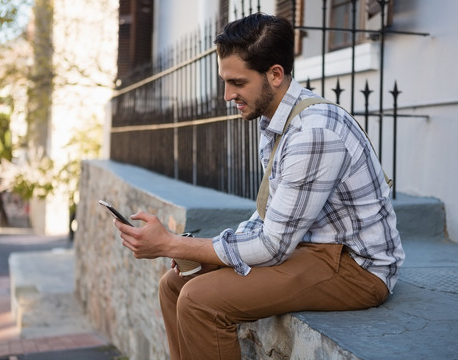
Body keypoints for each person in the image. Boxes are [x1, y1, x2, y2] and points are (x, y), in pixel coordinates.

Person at [115, 13, 405, 360]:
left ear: (275, 74)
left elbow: (272, 245)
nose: (227, 95)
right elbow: (268, 217)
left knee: (200, 301)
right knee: (174, 285)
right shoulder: (276, 120)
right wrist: (199, 254)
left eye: (237, 82)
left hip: (357, 268)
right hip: (310, 247)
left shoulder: (313, 133)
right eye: (225, 81)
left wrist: (172, 244)